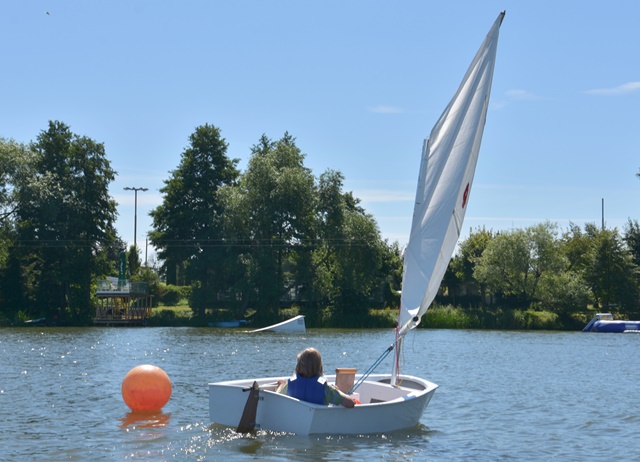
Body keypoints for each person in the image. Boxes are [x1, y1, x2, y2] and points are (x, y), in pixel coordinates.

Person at [276, 347, 355, 408]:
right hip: (319, 423)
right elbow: (350, 403)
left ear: (299, 365)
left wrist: (281, 385)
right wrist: (336, 390)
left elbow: (276, 398)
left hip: (295, 423)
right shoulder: (326, 389)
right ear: (319, 367)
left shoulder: (290, 385)